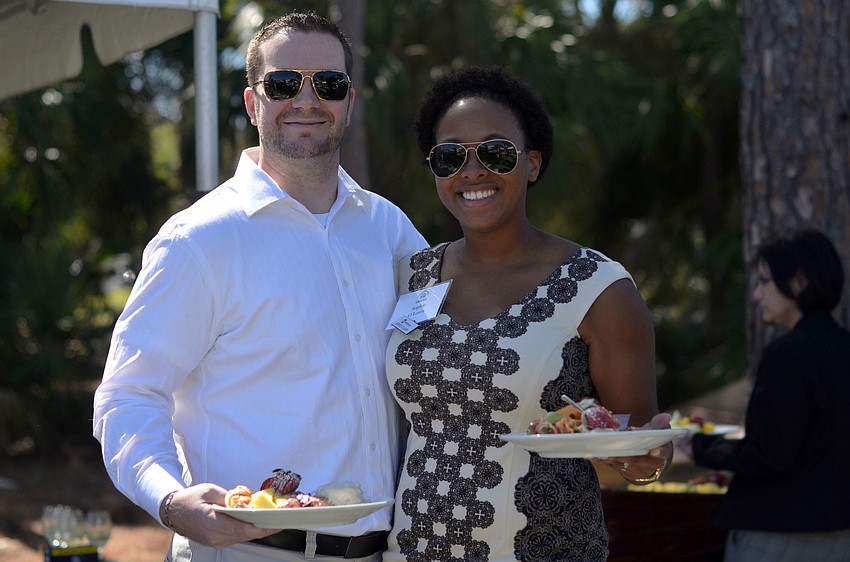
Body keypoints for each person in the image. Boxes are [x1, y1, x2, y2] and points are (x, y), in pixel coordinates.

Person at [92, 11, 426, 562]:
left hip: (382, 552)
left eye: (330, 84)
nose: (307, 99)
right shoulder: (198, 240)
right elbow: (128, 394)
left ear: (350, 101)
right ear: (253, 104)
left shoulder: (388, 228)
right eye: (283, 83)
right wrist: (171, 500)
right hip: (248, 553)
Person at [382, 65, 673, 562]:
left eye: (496, 153)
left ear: (532, 164)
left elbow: (636, 445)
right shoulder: (410, 275)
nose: (472, 172)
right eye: (450, 156)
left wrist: (647, 459)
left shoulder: (599, 289)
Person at [690, 228, 850, 561]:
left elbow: (768, 453)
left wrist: (694, 446)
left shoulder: (786, 355)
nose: (758, 295)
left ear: (799, 281)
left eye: (764, 281)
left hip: (780, 535)